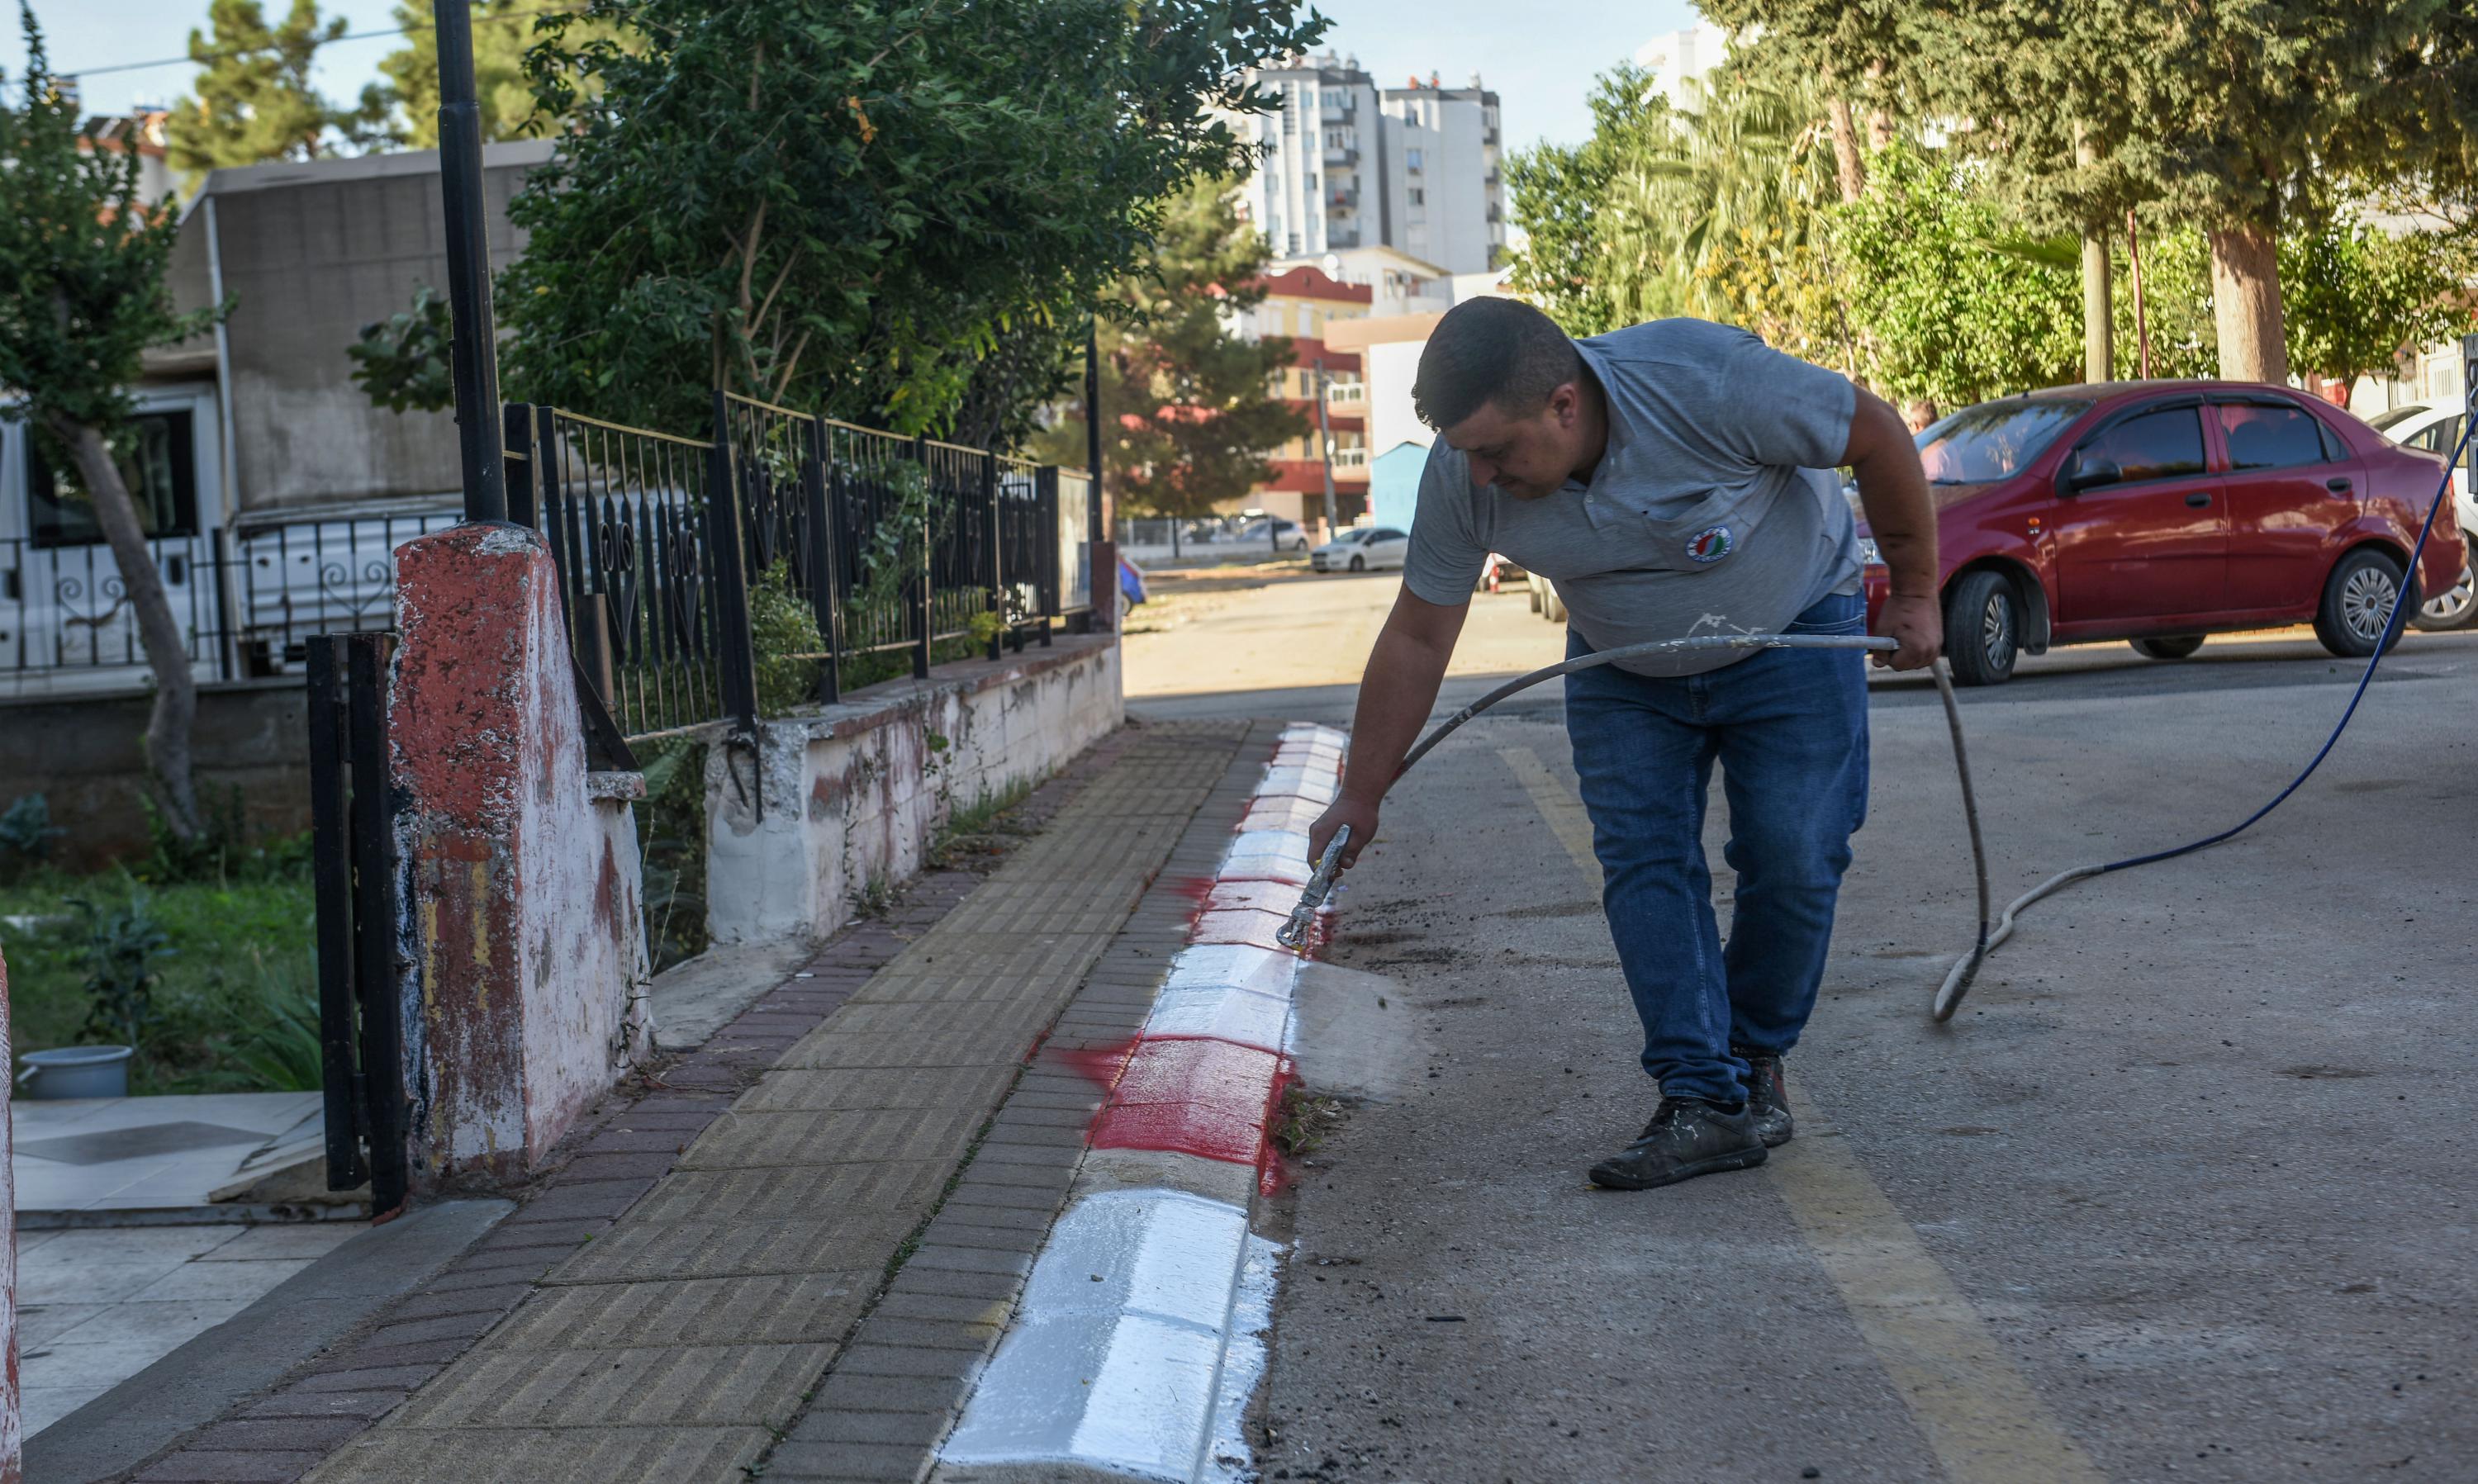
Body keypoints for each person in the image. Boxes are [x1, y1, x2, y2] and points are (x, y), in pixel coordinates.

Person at [1306, 299, 1942, 1191]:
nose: (1480, 476)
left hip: (1794, 625)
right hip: (1622, 662)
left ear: (1565, 405)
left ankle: (1753, 1061)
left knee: (1795, 852)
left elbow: (1874, 433)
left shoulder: (1704, 381)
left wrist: (1915, 592)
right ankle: (1701, 1098)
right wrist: (1359, 793)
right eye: (1465, 453)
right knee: (1645, 862)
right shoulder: (1464, 477)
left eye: (1497, 450)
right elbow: (1417, 635)